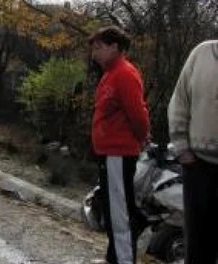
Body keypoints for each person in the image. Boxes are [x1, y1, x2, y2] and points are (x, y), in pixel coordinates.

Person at [89, 26, 149, 264]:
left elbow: (138, 114)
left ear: (115, 47)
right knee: (113, 211)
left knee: (120, 214)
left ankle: (123, 260)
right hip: (109, 153)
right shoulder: (110, 73)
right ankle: (114, 257)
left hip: (118, 154)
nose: (95, 54)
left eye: (98, 48)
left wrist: (142, 136)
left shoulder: (125, 73)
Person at [168, 39, 218, 264]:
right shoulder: (202, 53)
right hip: (198, 165)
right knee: (198, 242)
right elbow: (180, 101)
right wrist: (181, 147)